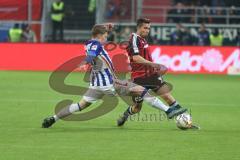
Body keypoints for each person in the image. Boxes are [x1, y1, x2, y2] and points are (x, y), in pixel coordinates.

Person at [42, 24, 185, 128]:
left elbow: (95, 36)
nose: (106, 37)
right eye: (105, 35)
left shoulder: (89, 42)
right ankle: (169, 110)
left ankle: (53, 118)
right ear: (100, 35)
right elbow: (92, 54)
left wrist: (107, 27)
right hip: (108, 83)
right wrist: (85, 62)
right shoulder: (95, 44)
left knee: (81, 105)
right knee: (141, 90)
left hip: (95, 85)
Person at [117, 18, 188, 126]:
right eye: (145, 28)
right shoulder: (133, 39)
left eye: (149, 28)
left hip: (151, 75)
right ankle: (126, 114)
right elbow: (135, 57)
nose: (147, 30)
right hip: (139, 78)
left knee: (168, 97)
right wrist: (153, 64)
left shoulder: (143, 40)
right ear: (139, 27)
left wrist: (154, 68)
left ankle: (186, 121)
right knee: (137, 108)